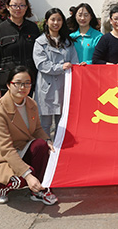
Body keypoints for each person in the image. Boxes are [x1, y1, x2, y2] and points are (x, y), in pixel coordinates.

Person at [0, 66, 58, 206]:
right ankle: (0, 186)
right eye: (18, 83)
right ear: (9, 85)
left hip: (22, 147)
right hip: (2, 155)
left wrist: (47, 140)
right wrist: (27, 175)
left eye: (27, 83)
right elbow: (6, 149)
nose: (23, 87)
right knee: (21, 179)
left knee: (42, 145)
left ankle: (38, 190)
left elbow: (37, 129)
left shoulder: (31, 104)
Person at [33, 8, 78, 138]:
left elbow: (74, 61)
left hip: (64, 87)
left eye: (59, 19)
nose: (56, 23)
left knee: (62, 123)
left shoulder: (68, 42)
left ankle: (59, 148)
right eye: (53, 19)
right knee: (45, 124)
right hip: (46, 87)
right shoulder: (40, 42)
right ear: (46, 21)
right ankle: (45, 147)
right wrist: (61, 67)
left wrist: (77, 67)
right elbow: (41, 64)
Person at [0, 0, 41, 99]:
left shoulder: (33, 28)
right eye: (14, 5)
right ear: (8, 7)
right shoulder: (0, 30)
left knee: (27, 109)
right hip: (7, 81)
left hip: (27, 81)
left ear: (26, 8)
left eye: (22, 5)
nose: (18, 8)